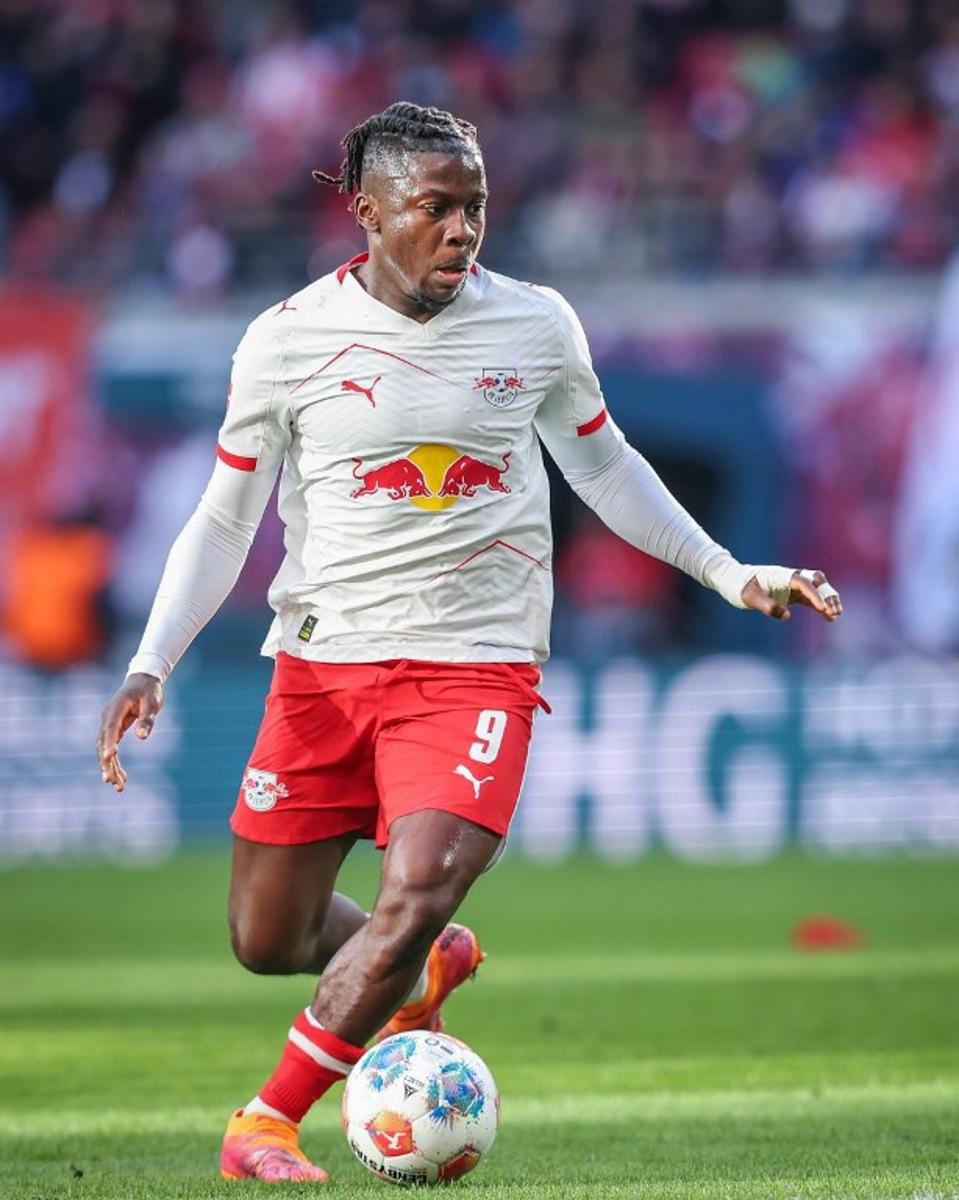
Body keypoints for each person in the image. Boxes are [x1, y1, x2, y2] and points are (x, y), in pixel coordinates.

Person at [96, 101, 842, 1183]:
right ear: (367, 212)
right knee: (265, 937)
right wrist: (149, 662)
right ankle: (420, 964)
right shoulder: (285, 339)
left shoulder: (534, 325)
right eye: (434, 209)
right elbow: (224, 519)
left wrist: (729, 573)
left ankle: (265, 1119)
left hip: (473, 664)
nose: (460, 230)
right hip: (321, 665)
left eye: (474, 207)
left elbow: (603, 467)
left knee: (423, 879)